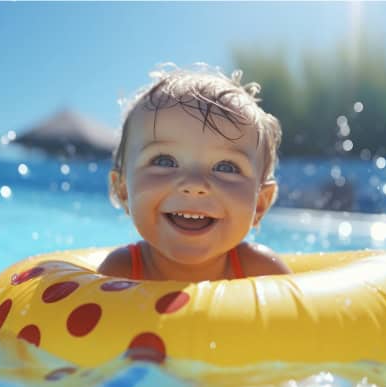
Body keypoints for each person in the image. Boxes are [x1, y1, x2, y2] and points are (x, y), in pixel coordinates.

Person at [98, 64, 291, 281]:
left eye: (226, 167)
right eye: (164, 161)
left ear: (260, 204)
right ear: (123, 191)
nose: (194, 184)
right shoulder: (120, 272)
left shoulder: (260, 271)